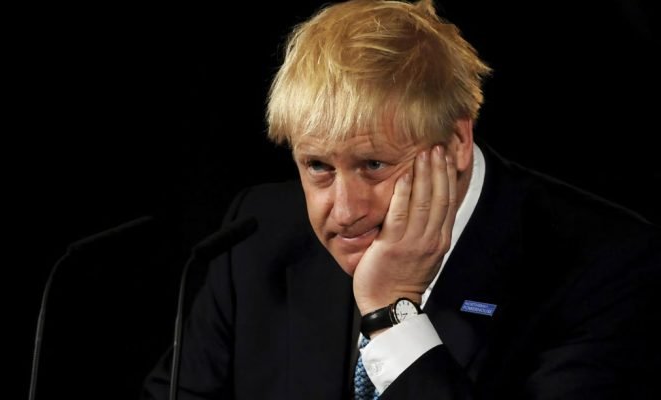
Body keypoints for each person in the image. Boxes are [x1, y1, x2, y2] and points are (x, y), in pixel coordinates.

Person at [142, 0, 661, 398]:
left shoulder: (605, 262)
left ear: (456, 142)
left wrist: (392, 314)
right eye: (318, 167)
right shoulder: (256, 233)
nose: (345, 212)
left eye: (374, 165)